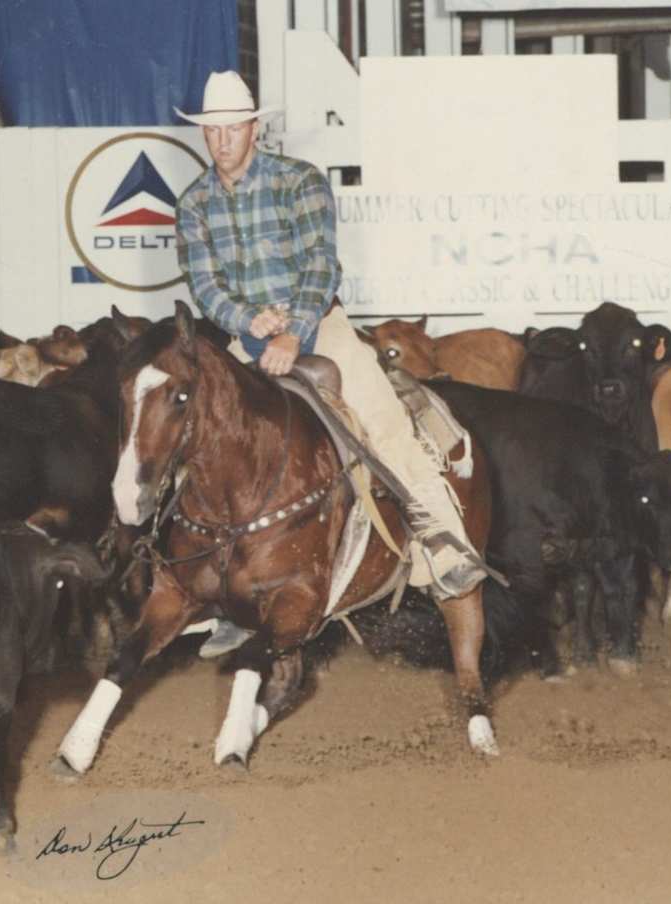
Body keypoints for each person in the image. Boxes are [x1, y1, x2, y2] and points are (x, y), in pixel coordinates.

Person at [173, 70, 486, 601]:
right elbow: (204, 283)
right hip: (242, 333)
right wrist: (247, 320)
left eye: (232, 128)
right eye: (211, 131)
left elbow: (320, 266)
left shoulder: (299, 180)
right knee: (195, 437)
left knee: (383, 420)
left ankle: (442, 541)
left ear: (254, 128)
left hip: (318, 326)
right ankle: (198, 570)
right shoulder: (193, 204)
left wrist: (292, 332)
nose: (221, 141)